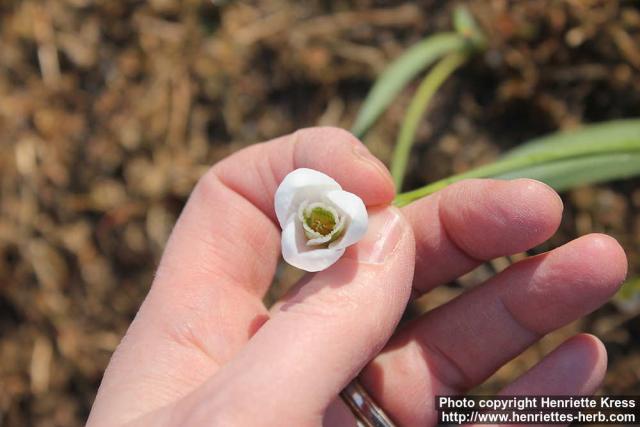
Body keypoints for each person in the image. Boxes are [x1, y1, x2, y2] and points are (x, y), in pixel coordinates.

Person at [86, 127, 627, 426]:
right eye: (319, 226)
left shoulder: (335, 221)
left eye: (327, 223)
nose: (322, 226)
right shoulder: (324, 230)